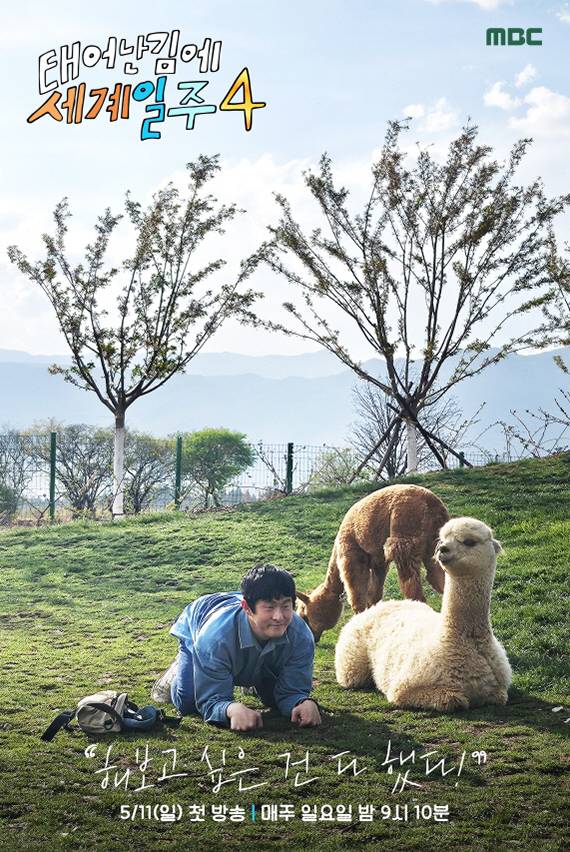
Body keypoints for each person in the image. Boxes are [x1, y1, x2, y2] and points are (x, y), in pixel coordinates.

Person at [151, 564, 322, 731]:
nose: (279, 616)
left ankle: (252, 678)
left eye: (286, 606)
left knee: (275, 700)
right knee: (189, 702)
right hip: (200, 621)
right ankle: (178, 671)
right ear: (247, 609)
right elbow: (210, 700)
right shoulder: (214, 638)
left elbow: (293, 690)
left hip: (240, 626)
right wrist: (229, 709)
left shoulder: (301, 635)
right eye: (269, 607)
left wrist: (302, 702)